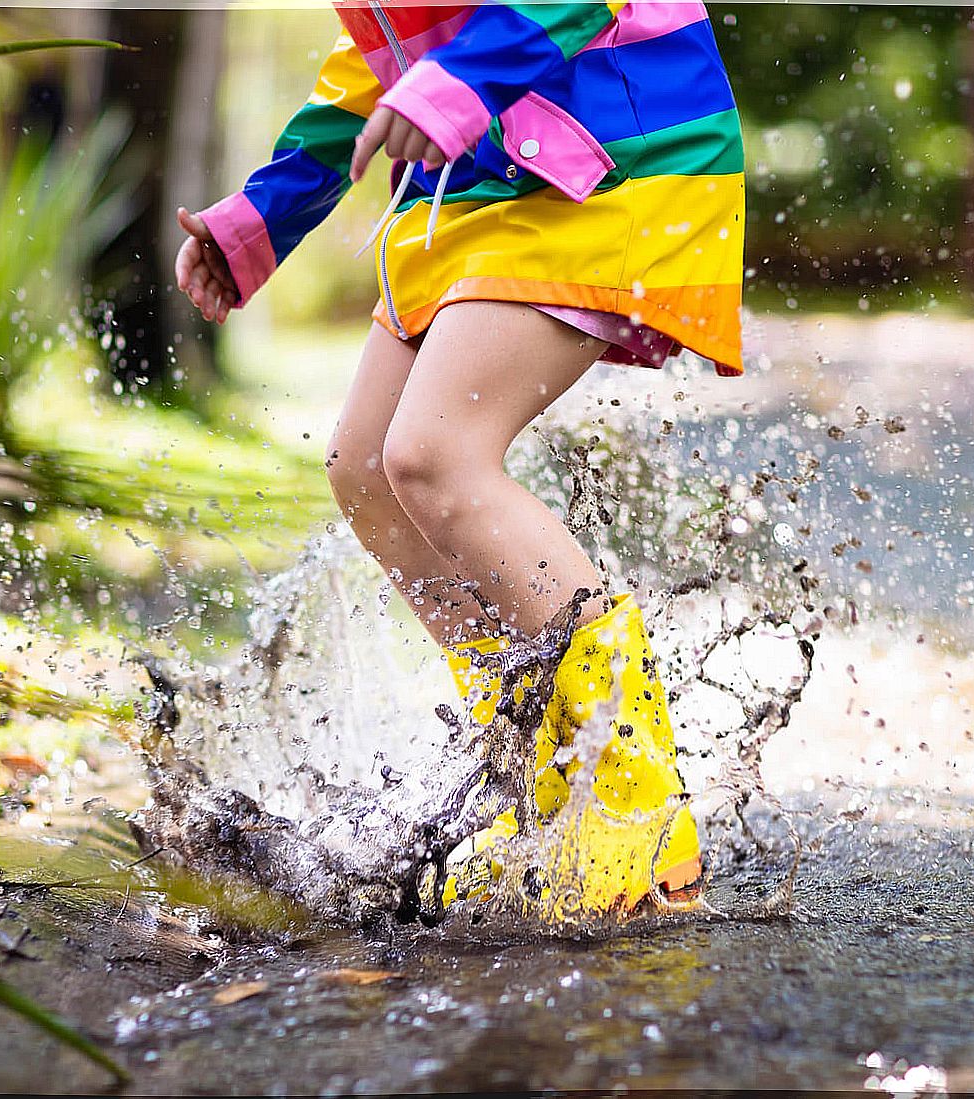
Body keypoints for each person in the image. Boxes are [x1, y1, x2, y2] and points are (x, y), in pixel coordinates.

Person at [175, 2, 744, 919]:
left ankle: (639, 801)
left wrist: (455, 85)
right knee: (364, 467)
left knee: (437, 455)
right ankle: (543, 774)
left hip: (611, 154)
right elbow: (376, 56)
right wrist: (256, 224)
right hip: (482, 182)